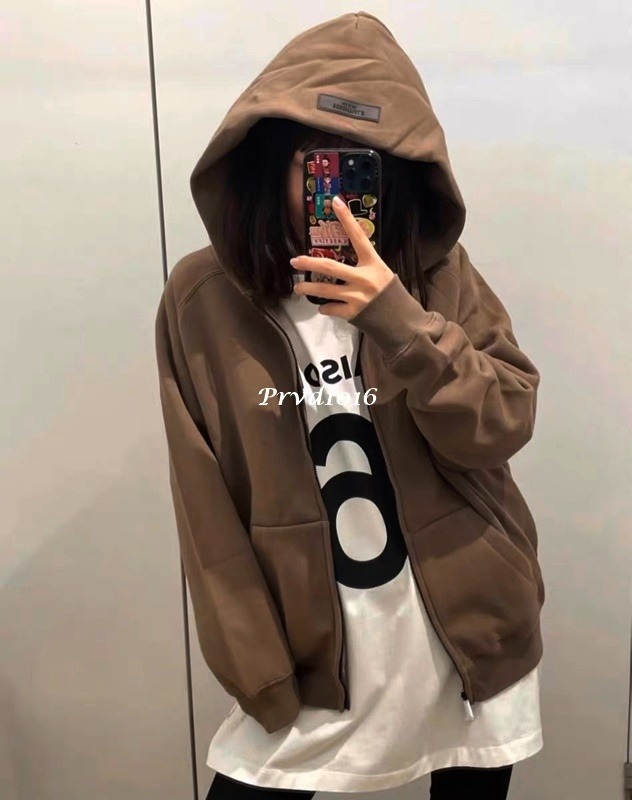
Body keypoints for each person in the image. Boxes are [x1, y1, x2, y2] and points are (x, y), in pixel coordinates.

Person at [154, 10, 546, 800]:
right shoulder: (203, 296)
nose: (336, 189)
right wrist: (253, 665)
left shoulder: (437, 276)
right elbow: (204, 504)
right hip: (310, 661)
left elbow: (502, 422)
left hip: (467, 646)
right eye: (318, 161)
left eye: (363, 165)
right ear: (271, 162)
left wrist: (397, 320)